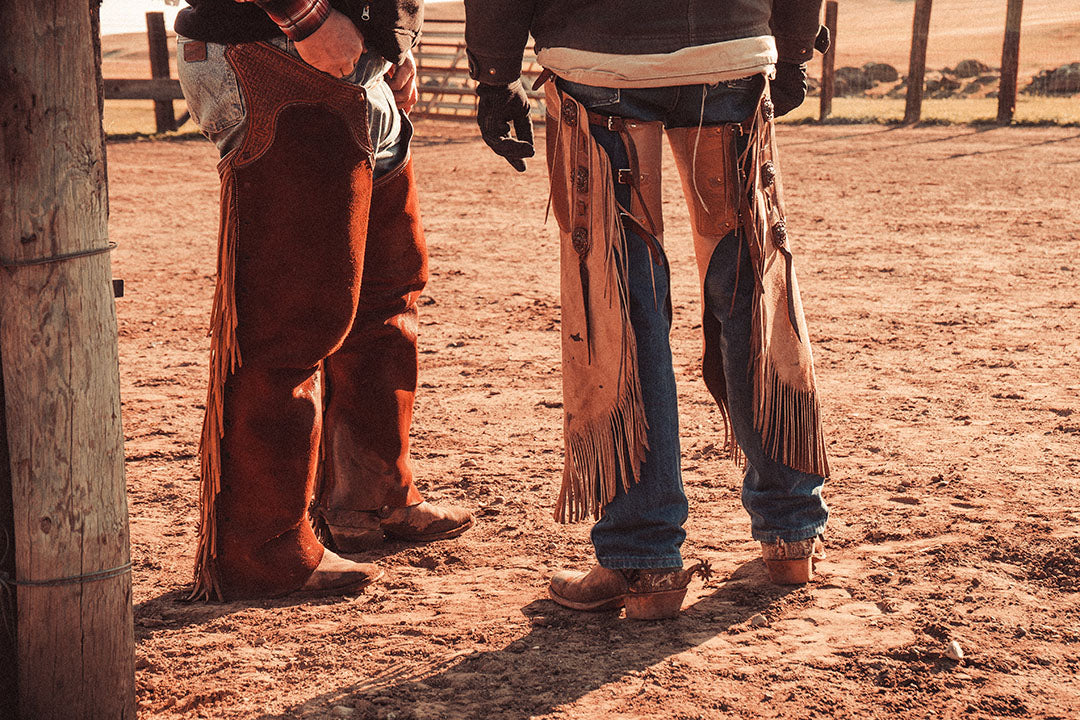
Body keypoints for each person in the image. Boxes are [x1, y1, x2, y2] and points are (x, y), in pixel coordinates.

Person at [464, 0, 832, 619]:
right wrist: (793, 46)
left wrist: (495, 74)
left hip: (600, 63)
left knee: (620, 305)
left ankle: (642, 558)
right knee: (751, 287)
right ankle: (790, 533)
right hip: (730, 54)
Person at [174, 0, 472, 601]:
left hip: (352, 57)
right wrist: (304, 15)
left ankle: (369, 497)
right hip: (280, 51)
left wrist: (396, 40)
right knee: (291, 321)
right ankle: (262, 549)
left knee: (385, 295)